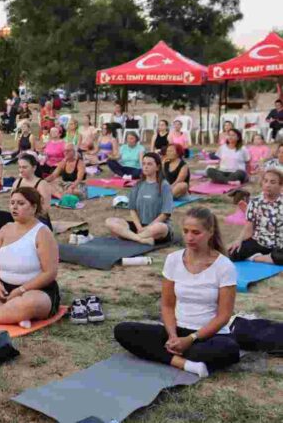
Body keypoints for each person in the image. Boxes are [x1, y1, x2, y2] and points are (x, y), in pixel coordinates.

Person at [114, 207, 239, 378]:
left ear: (210, 232)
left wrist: (191, 339)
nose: (189, 237)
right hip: (176, 330)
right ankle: (185, 364)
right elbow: (167, 305)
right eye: (186, 231)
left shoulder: (224, 266)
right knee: (123, 331)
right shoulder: (173, 259)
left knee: (227, 350)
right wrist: (172, 335)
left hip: (209, 335)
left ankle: (177, 355)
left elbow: (223, 316)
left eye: (196, 232)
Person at [0, 187, 60, 326]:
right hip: (5, 288)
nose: (14, 207)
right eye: (12, 203)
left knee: (29, 303)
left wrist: (21, 290)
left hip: (35, 290)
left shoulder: (43, 233)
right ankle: (14, 315)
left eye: (21, 203)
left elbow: (50, 272)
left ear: (33, 207)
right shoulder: (5, 229)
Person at [105, 152, 174, 245]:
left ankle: (129, 236)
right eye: (144, 164)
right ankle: (140, 239)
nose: (145, 167)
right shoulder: (138, 184)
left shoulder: (164, 185)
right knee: (110, 221)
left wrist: (148, 227)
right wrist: (139, 227)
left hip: (155, 226)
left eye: (149, 164)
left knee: (161, 228)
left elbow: (165, 213)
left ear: (157, 167)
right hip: (140, 226)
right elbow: (132, 209)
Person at [228, 169, 283, 265]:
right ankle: (268, 258)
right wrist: (239, 240)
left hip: (280, 244)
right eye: (265, 181)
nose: (268, 185)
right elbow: (248, 227)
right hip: (259, 242)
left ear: (280, 185)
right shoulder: (255, 202)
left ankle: (262, 258)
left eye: (272, 182)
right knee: (232, 253)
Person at [0, 154, 52, 231]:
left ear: (34, 168)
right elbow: (11, 202)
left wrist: (27, 214)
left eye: (24, 167)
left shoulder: (42, 184)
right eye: (20, 167)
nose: (21, 170)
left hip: (36, 218)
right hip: (19, 216)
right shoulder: (17, 182)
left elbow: (44, 209)